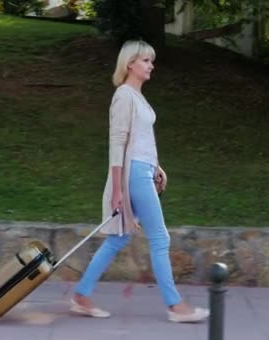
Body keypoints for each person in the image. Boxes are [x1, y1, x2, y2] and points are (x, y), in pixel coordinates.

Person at [69, 40, 210, 323]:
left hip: (143, 169)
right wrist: (118, 189)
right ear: (130, 63)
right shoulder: (123, 95)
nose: (151, 65)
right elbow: (117, 142)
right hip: (132, 173)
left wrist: (157, 166)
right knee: (160, 238)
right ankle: (175, 306)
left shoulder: (138, 96)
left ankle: (81, 295)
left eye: (151, 60)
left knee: (118, 238)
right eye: (146, 60)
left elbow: (142, 139)